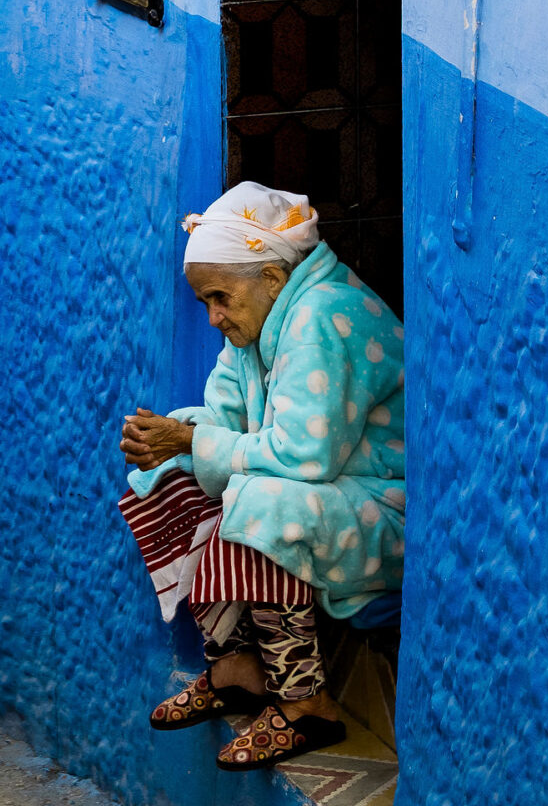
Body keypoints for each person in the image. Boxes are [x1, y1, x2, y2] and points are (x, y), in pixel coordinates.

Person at [117, 182, 406, 774]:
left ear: (271, 279)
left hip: (385, 508)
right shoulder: (256, 323)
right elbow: (221, 422)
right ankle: (236, 670)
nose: (213, 317)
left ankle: (305, 706)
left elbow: (305, 456)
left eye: (220, 298)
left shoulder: (324, 314)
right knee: (168, 480)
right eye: (204, 303)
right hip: (330, 498)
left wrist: (194, 440)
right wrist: (165, 441)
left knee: (261, 499)